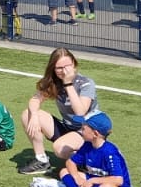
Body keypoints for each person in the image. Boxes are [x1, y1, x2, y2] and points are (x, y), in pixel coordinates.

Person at [17, 47, 98, 177]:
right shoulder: (54, 82)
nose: (64, 71)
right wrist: (34, 116)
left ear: (74, 64)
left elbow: (80, 112)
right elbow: (35, 100)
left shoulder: (86, 83)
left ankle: (90, 160)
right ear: (53, 69)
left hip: (86, 131)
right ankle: (41, 160)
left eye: (67, 66)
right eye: (59, 68)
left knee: (58, 148)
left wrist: (68, 84)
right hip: (67, 127)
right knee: (27, 114)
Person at [33, 111, 132, 187]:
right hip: (91, 180)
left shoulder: (110, 152)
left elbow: (118, 180)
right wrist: (77, 178)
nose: (81, 131)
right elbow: (70, 162)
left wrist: (92, 181)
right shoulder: (87, 145)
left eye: (83, 129)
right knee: (64, 171)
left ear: (95, 134)